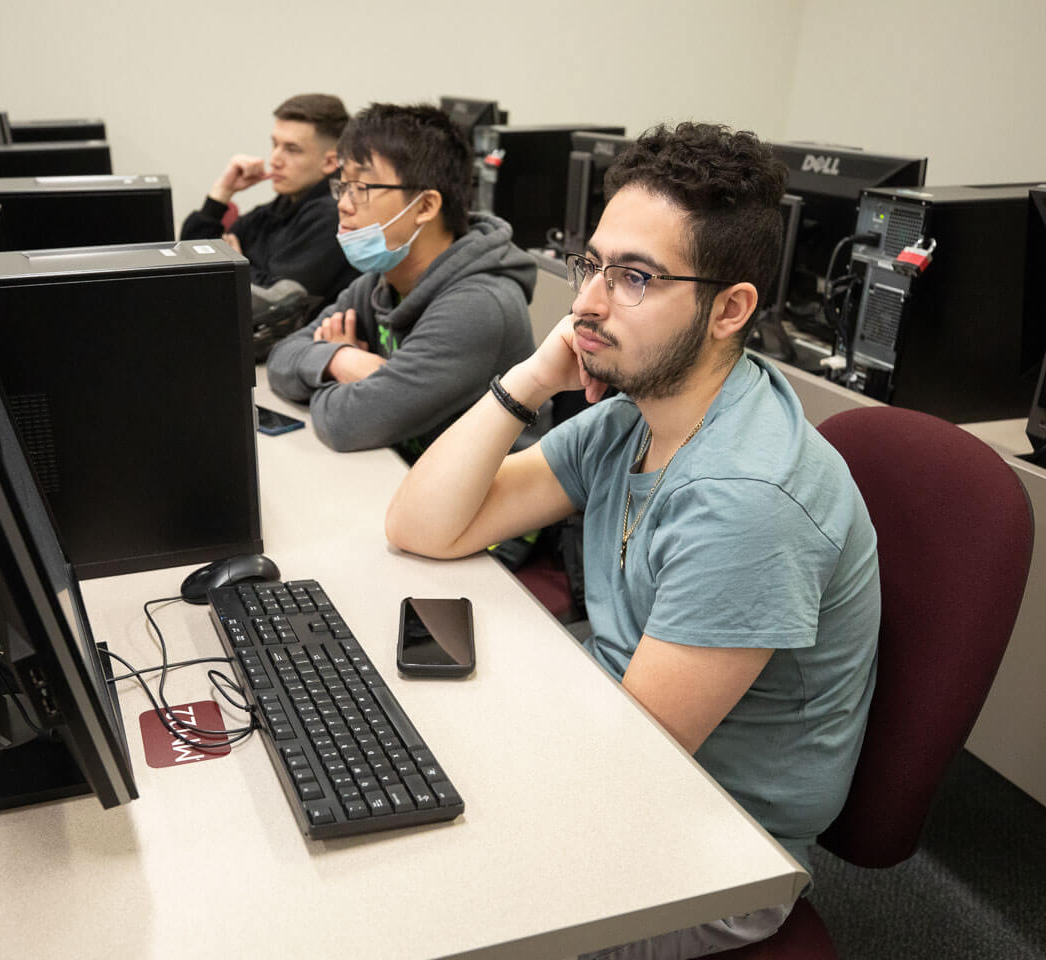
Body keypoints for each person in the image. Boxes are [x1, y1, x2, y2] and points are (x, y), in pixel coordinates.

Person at [385, 122, 880, 958]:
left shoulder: (745, 501)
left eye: (635, 278)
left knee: (408, 912)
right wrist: (532, 378)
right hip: (613, 742)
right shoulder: (633, 417)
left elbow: (630, 769)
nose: (586, 301)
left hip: (711, 847)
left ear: (730, 310)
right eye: (592, 265)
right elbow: (421, 526)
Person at [265, 103, 536, 463]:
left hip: (488, 498)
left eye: (361, 186)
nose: (344, 204)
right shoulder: (380, 283)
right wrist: (341, 360)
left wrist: (324, 375)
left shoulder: (478, 305)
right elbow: (281, 358)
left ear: (425, 206)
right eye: (342, 186)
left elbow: (345, 423)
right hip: (402, 477)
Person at [180, 93, 357, 300]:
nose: (274, 160)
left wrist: (236, 264)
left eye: (291, 149)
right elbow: (192, 259)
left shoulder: (334, 214)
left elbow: (282, 301)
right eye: (275, 144)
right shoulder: (283, 204)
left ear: (330, 162)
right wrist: (222, 192)